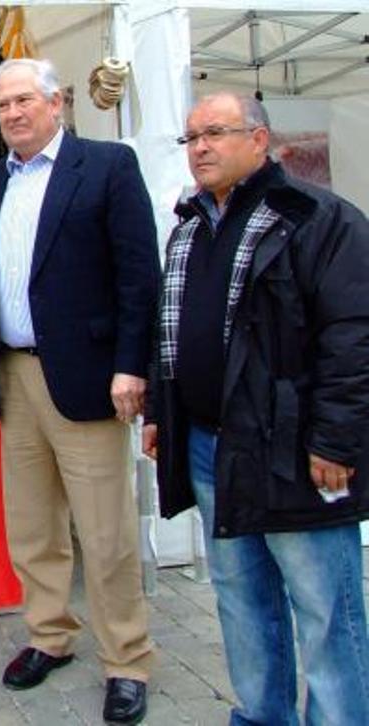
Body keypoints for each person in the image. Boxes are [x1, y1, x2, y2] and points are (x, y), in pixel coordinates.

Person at [143, 92, 369, 725]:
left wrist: (335, 441)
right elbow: (172, 332)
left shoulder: (319, 218)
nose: (201, 148)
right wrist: (165, 410)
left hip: (295, 449)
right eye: (190, 139)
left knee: (325, 610)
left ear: (261, 139)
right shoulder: (189, 227)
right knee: (243, 600)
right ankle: (262, 716)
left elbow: (353, 338)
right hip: (212, 446)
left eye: (216, 133)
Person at [0, 58, 159, 724]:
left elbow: (140, 276)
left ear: (57, 102)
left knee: (104, 533)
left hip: (90, 376)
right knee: (34, 526)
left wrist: (133, 365)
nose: (14, 114)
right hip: (13, 373)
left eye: (24, 100)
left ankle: (127, 659)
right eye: (3, 106)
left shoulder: (108, 166)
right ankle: (50, 635)